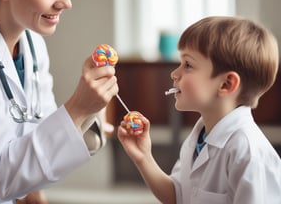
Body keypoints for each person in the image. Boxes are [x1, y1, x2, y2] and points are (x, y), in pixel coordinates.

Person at [0, 0, 118, 203]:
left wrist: (87, 119)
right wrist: (78, 108)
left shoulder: (31, 41)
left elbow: (37, 134)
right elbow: (0, 173)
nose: (67, 2)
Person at [118, 16, 281, 204]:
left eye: (188, 65)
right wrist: (143, 157)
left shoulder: (249, 154)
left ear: (226, 84)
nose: (174, 73)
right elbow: (177, 196)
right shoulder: (199, 136)